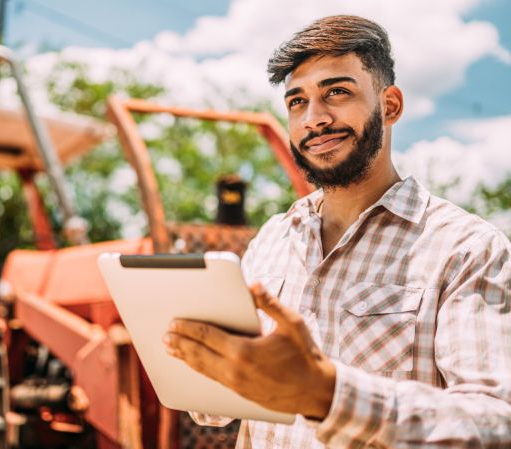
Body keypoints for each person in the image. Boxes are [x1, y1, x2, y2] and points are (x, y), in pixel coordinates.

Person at [163, 15, 511, 449]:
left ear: (391, 106)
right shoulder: (273, 238)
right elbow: (215, 409)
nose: (314, 118)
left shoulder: (467, 248)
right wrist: (195, 352)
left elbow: (496, 424)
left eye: (337, 93)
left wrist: (328, 395)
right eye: (297, 102)